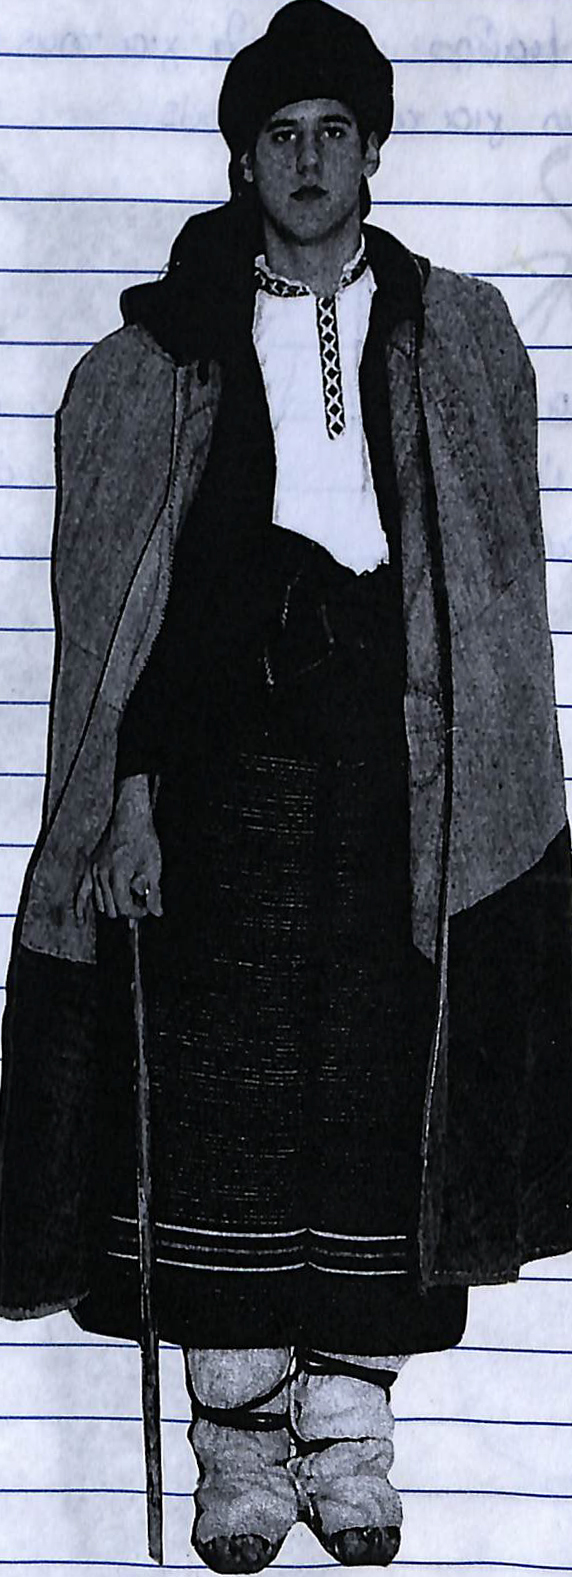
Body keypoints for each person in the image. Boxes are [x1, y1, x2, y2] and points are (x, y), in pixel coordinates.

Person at [1, 1, 571, 1570]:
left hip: (399, 773)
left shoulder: (459, 336)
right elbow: (129, 618)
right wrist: (132, 800)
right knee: (223, 1106)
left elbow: (497, 594)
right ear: (245, 161)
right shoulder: (159, 359)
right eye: (281, 136)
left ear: (372, 155)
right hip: (219, 772)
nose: (309, 160)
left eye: (335, 133)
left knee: (380, 1098)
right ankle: (241, 1445)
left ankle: (351, 1433)